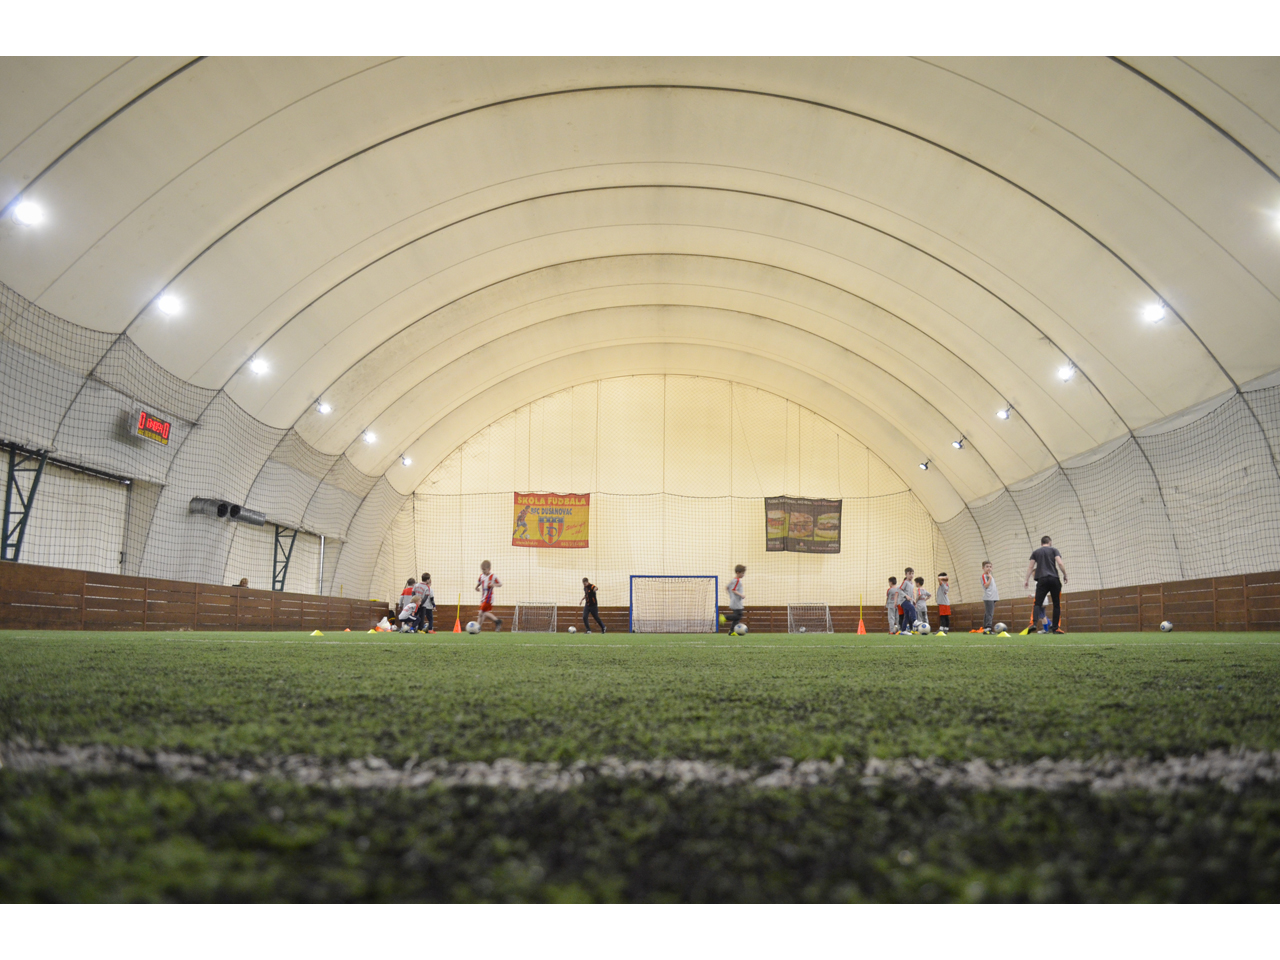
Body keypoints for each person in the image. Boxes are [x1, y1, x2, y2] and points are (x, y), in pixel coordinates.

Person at [1024, 535, 1068, 634]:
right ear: (1050, 542)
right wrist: (1065, 575)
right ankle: (1056, 628)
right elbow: (1060, 563)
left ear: (1041, 543)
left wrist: (1026, 579)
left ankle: (1033, 624)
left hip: (1042, 579)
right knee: (1056, 604)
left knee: (1037, 603)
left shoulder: (1036, 552)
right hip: (1054, 579)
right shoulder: (1054, 550)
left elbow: (1030, 567)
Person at [475, 561, 503, 631]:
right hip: (483, 597)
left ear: (489, 569)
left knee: (481, 612)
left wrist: (493, 585)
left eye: (485, 570)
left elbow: (500, 584)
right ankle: (478, 628)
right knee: (483, 614)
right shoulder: (481, 576)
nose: (483, 571)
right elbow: (479, 582)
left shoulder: (493, 576)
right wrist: (476, 587)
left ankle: (477, 627)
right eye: (482, 570)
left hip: (489, 597)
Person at [724, 565, 746, 633]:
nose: (743, 575)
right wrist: (741, 595)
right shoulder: (737, 580)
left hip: (734, 601)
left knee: (737, 618)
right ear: (738, 572)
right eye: (742, 573)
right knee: (739, 616)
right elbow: (733, 589)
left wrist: (731, 596)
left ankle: (732, 631)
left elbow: (727, 587)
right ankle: (725, 617)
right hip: (736, 602)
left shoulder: (733, 580)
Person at [981, 561, 998, 633]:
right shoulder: (984, 576)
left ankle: (986, 628)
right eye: (987, 567)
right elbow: (986, 585)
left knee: (988, 613)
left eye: (990, 567)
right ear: (983, 568)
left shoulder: (990, 576)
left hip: (993, 597)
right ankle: (988, 628)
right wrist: (990, 578)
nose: (989, 568)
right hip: (989, 597)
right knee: (989, 613)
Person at [899, 567, 918, 632]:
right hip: (903, 601)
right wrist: (906, 596)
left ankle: (903, 630)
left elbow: (911, 593)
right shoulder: (905, 582)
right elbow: (900, 590)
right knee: (912, 608)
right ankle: (915, 621)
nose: (911, 575)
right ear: (906, 574)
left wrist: (913, 600)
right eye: (909, 574)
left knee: (906, 616)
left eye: (912, 573)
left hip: (909, 601)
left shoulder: (912, 584)